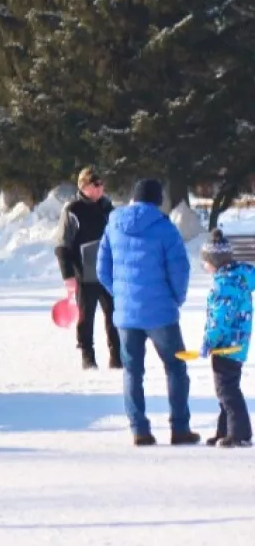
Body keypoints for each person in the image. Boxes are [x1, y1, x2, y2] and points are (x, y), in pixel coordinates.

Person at [98, 178, 199, 446]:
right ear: (157, 200)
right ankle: (179, 428)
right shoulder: (164, 228)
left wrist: (121, 295)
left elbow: (101, 269)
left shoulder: (113, 224)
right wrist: (176, 298)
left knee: (132, 371)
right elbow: (180, 269)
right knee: (176, 367)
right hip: (161, 313)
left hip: (126, 316)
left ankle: (139, 430)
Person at [57, 168, 121, 370]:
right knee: (86, 316)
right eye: (96, 184)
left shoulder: (107, 208)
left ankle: (117, 357)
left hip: (108, 272)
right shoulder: (72, 210)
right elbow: (62, 245)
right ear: (84, 186)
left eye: (102, 184)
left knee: (114, 314)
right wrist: (68, 274)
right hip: (84, 273)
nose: (101, 187)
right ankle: (88, 356)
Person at [200, 230, 253, 448]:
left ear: (213, 262)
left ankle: (240, 434)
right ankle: (225, 430)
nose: (204, 266)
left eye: (205, 261)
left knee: (227, 390)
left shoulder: (224, 285)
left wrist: (209, 340)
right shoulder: (237, 277)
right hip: (235, 344)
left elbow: (220, 319)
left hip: (227, 346)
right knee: (226, 389)